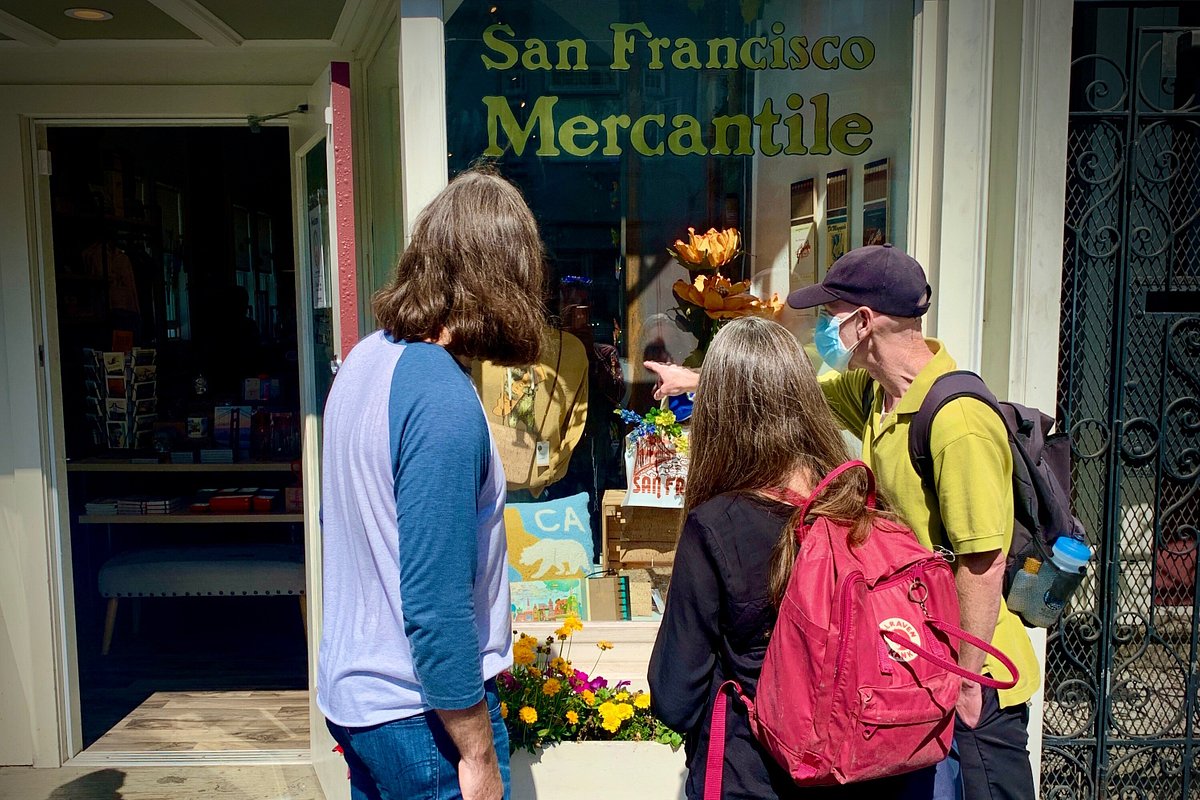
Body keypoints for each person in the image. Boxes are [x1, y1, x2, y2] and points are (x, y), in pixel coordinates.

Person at [645, 246, 1040, 800]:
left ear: (863, 322)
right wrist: (700, 379)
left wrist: (965, 681)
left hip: (965, 666)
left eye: (832, 313)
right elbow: (780, 393)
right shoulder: (876, 394)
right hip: (905, 651)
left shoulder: (958, 421)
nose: (824, 326)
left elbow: (983, 561)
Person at [317, 165, 546, 800]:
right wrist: (476, 751)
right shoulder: (441, 397)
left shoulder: (365, 360)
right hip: (423, 714)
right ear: (502, 281)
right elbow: (435, 599)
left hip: (361, 698)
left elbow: (344, 525)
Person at [648, 316, 938, 800]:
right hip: (866, 770)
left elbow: (675, 694)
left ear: (718, 411)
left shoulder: (717, 526)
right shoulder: (860, 502)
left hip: (755, 776)